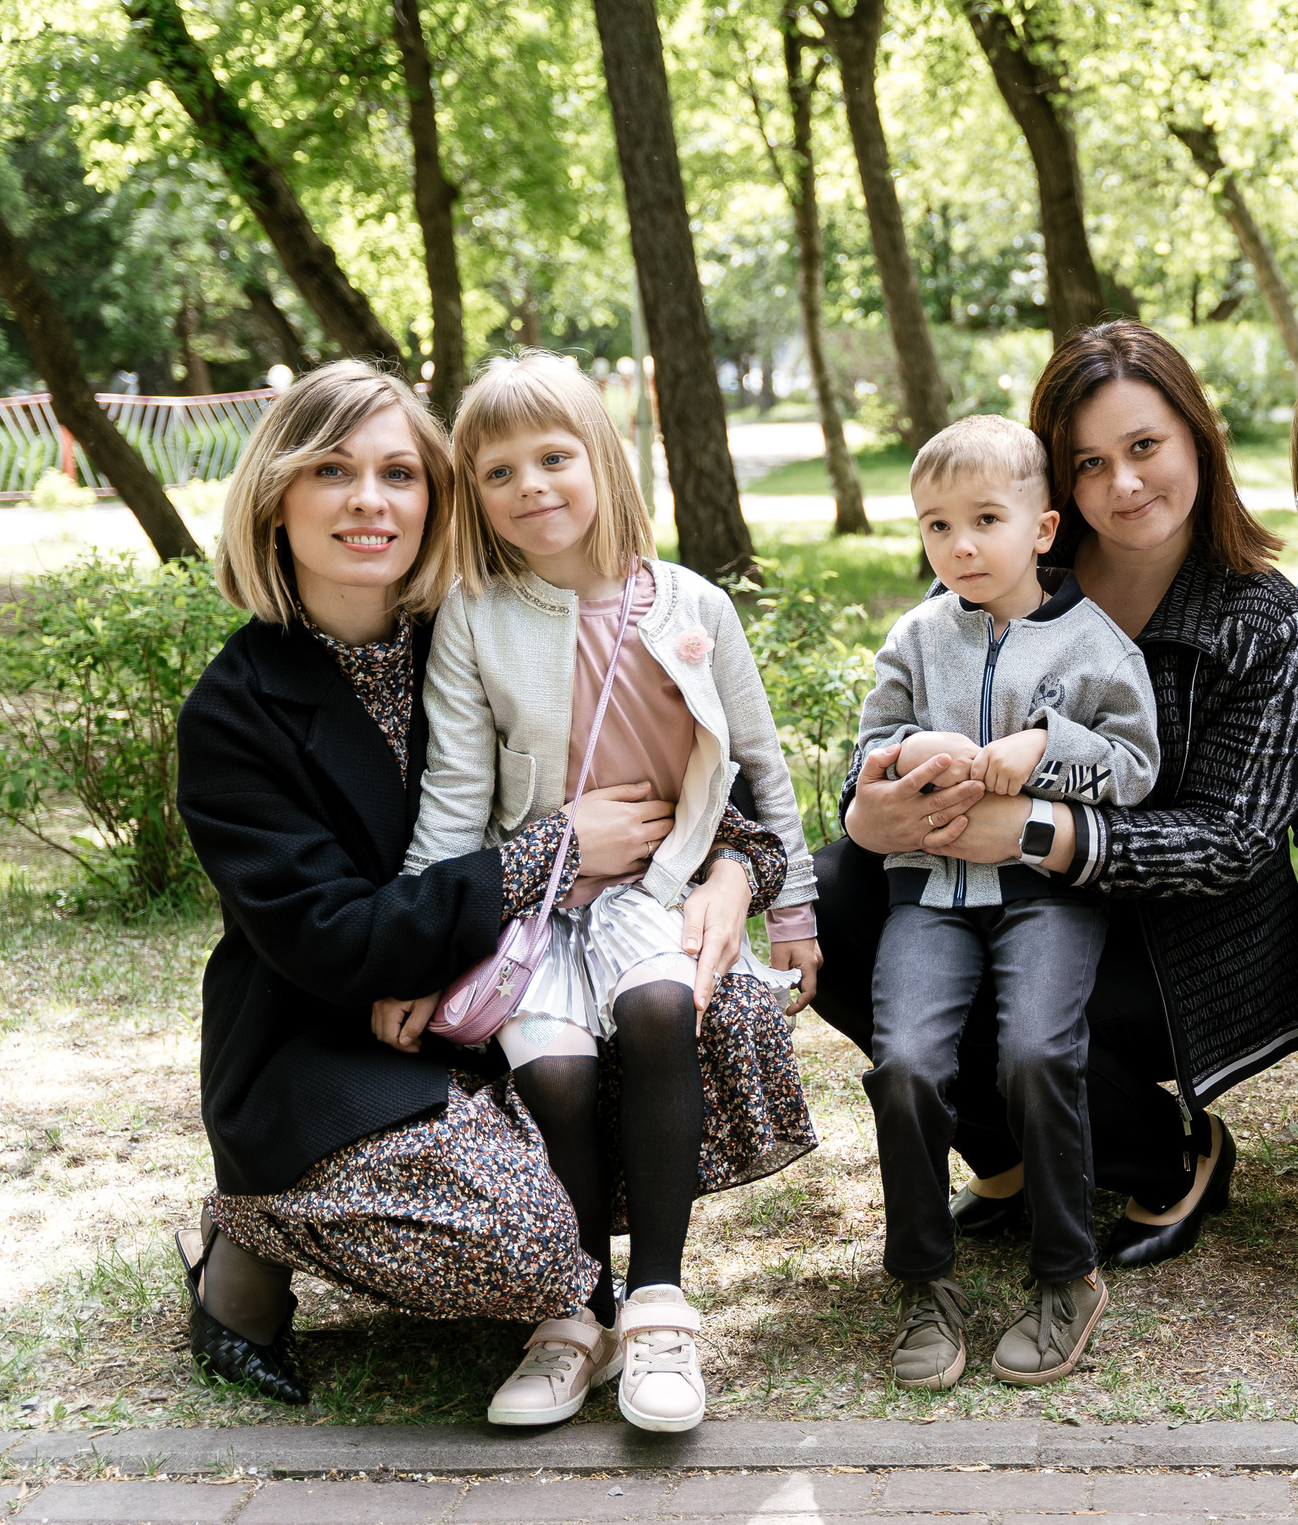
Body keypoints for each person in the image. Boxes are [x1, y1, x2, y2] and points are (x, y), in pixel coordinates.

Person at [175, 360, 708, 1407]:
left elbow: (660, 769)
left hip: (488, 994)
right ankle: (247, 1226)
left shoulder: (478, 633)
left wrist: (736, 872)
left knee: (693, 998)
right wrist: (544, 850)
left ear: (437, 498)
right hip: (321, 1035)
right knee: (530, 1246)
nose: (370, 501)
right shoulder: (235, 711)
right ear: (278, 499)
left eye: (400, 474)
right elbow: (332, 940)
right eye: (332, 470)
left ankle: (623, 1290)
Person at [810, 320, 1298, 1286]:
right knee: (840, 895)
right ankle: (1000, 1152)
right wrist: (867, 810)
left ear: (1197, 442)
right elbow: (900, 724)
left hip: (1184, 932)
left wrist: (1042, 828)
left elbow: (1233, 840)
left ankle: (1171, 1156)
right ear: (1055, 490)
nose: (1123, 484)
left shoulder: (1265, 619)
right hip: (998, 878)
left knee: (1036, 991)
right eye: (1089, 463)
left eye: (1145, 447)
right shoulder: (997, 564)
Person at [402, 351, 818, 1433]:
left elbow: (761, 768)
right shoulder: (474, 616)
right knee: (559, 1074)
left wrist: (796, 908)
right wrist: (416, 943)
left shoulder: (689, 602)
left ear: (603, 459)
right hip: (533, 900)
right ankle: (573, 1313)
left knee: (659, 1007)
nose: (531, 486)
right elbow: (454, 794)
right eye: (498, 473)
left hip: (658, 878)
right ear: (475, 496)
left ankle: (660, 1307)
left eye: (554, 457)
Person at [856, 416, 1160, 1390]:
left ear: (1042, 528)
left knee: (1034, 1052)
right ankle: (923, 1281)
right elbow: (865, 759)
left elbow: (1136, 766)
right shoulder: (914, 636)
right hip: (930, 895)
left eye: (986, 519)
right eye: (937, 526)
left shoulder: (1095, 646)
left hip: (1043, 896)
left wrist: (1044, 748)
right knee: (904, 1062)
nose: (961, 546)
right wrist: (904, 763)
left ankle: (1066, 1272)